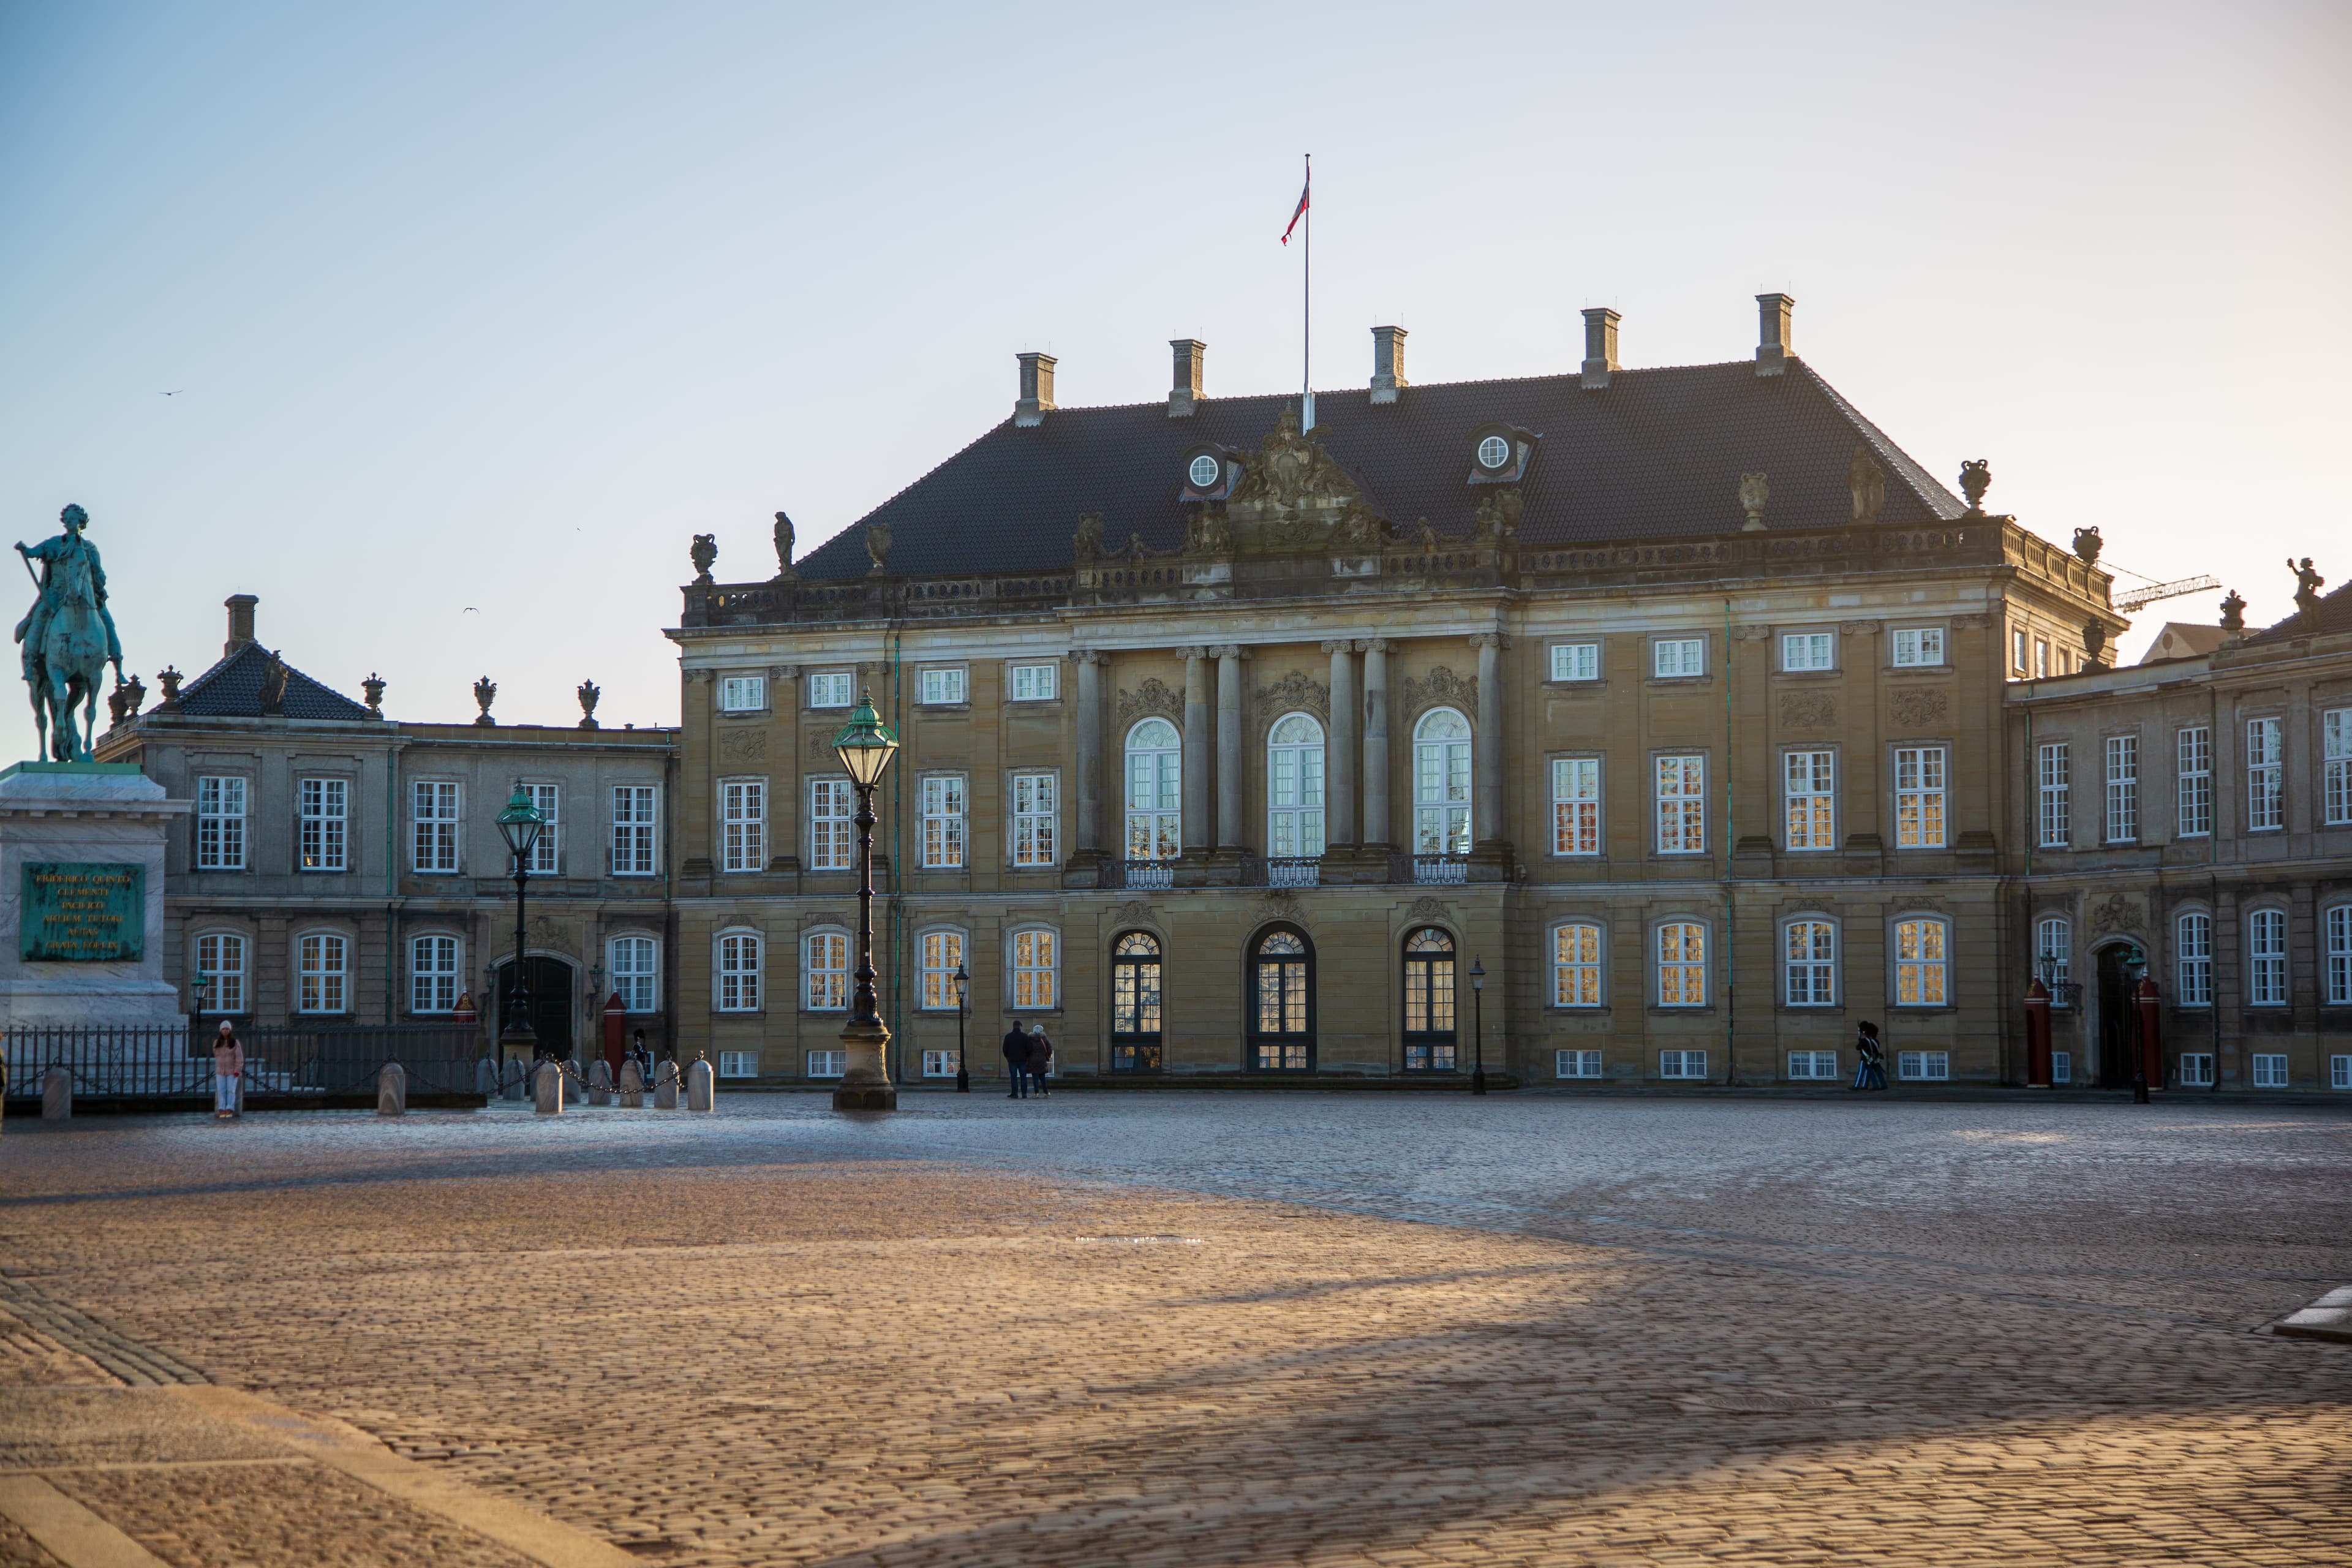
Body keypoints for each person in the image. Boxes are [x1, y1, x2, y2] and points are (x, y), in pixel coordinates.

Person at [211, 1020, 244, 1119]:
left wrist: (237, 1070)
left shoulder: (235, 1042)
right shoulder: (217, 1043)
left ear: (230, 1030)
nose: (225, 1031)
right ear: (221, 1030)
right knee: (221, 1090)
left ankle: (230, 1108)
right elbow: (216, 1055)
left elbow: (239, 1058)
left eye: (227, 1029)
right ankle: (222, 1108)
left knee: (231, 1090)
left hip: (232, 1071)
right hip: (220, 1070)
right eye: (223, 1029)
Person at [1001, 1019, 1033, 1099]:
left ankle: (1015, 1093)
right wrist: (1027, 1057)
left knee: (1013, 1078)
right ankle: (1024, 1094)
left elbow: (1005, 1049)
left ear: (1013, 1026)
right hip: (1023, 1059)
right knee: (1023, 1077)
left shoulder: (1008, 1037)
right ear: (1020, 1027)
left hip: (1012, 1060)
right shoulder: (1025, 1036)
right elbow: (1029, 1048)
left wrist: (1007, 1057)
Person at [1853, 1020, 1888, 1091]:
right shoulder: (1876, 1041)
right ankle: (1881, 1085)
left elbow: (1858, 1048)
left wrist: (1860, 1040)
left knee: (1864, 1072)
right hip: (1875, 1058)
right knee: (1877, 1072)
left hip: (1866, 1058)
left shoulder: (1865, 1041)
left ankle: (1857, 1085)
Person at [1028, 1026, 1054, 1097]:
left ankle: (1036, 1093)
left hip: (1033, 1060)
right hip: (1042, 1060)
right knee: (1043, 1078)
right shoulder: (1044, 1039)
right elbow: (1049, 1049)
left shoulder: (1030, 1039)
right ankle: (1046, 1092)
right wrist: (1047, 1056)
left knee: (1035, 1078)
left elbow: (1027, 1049)